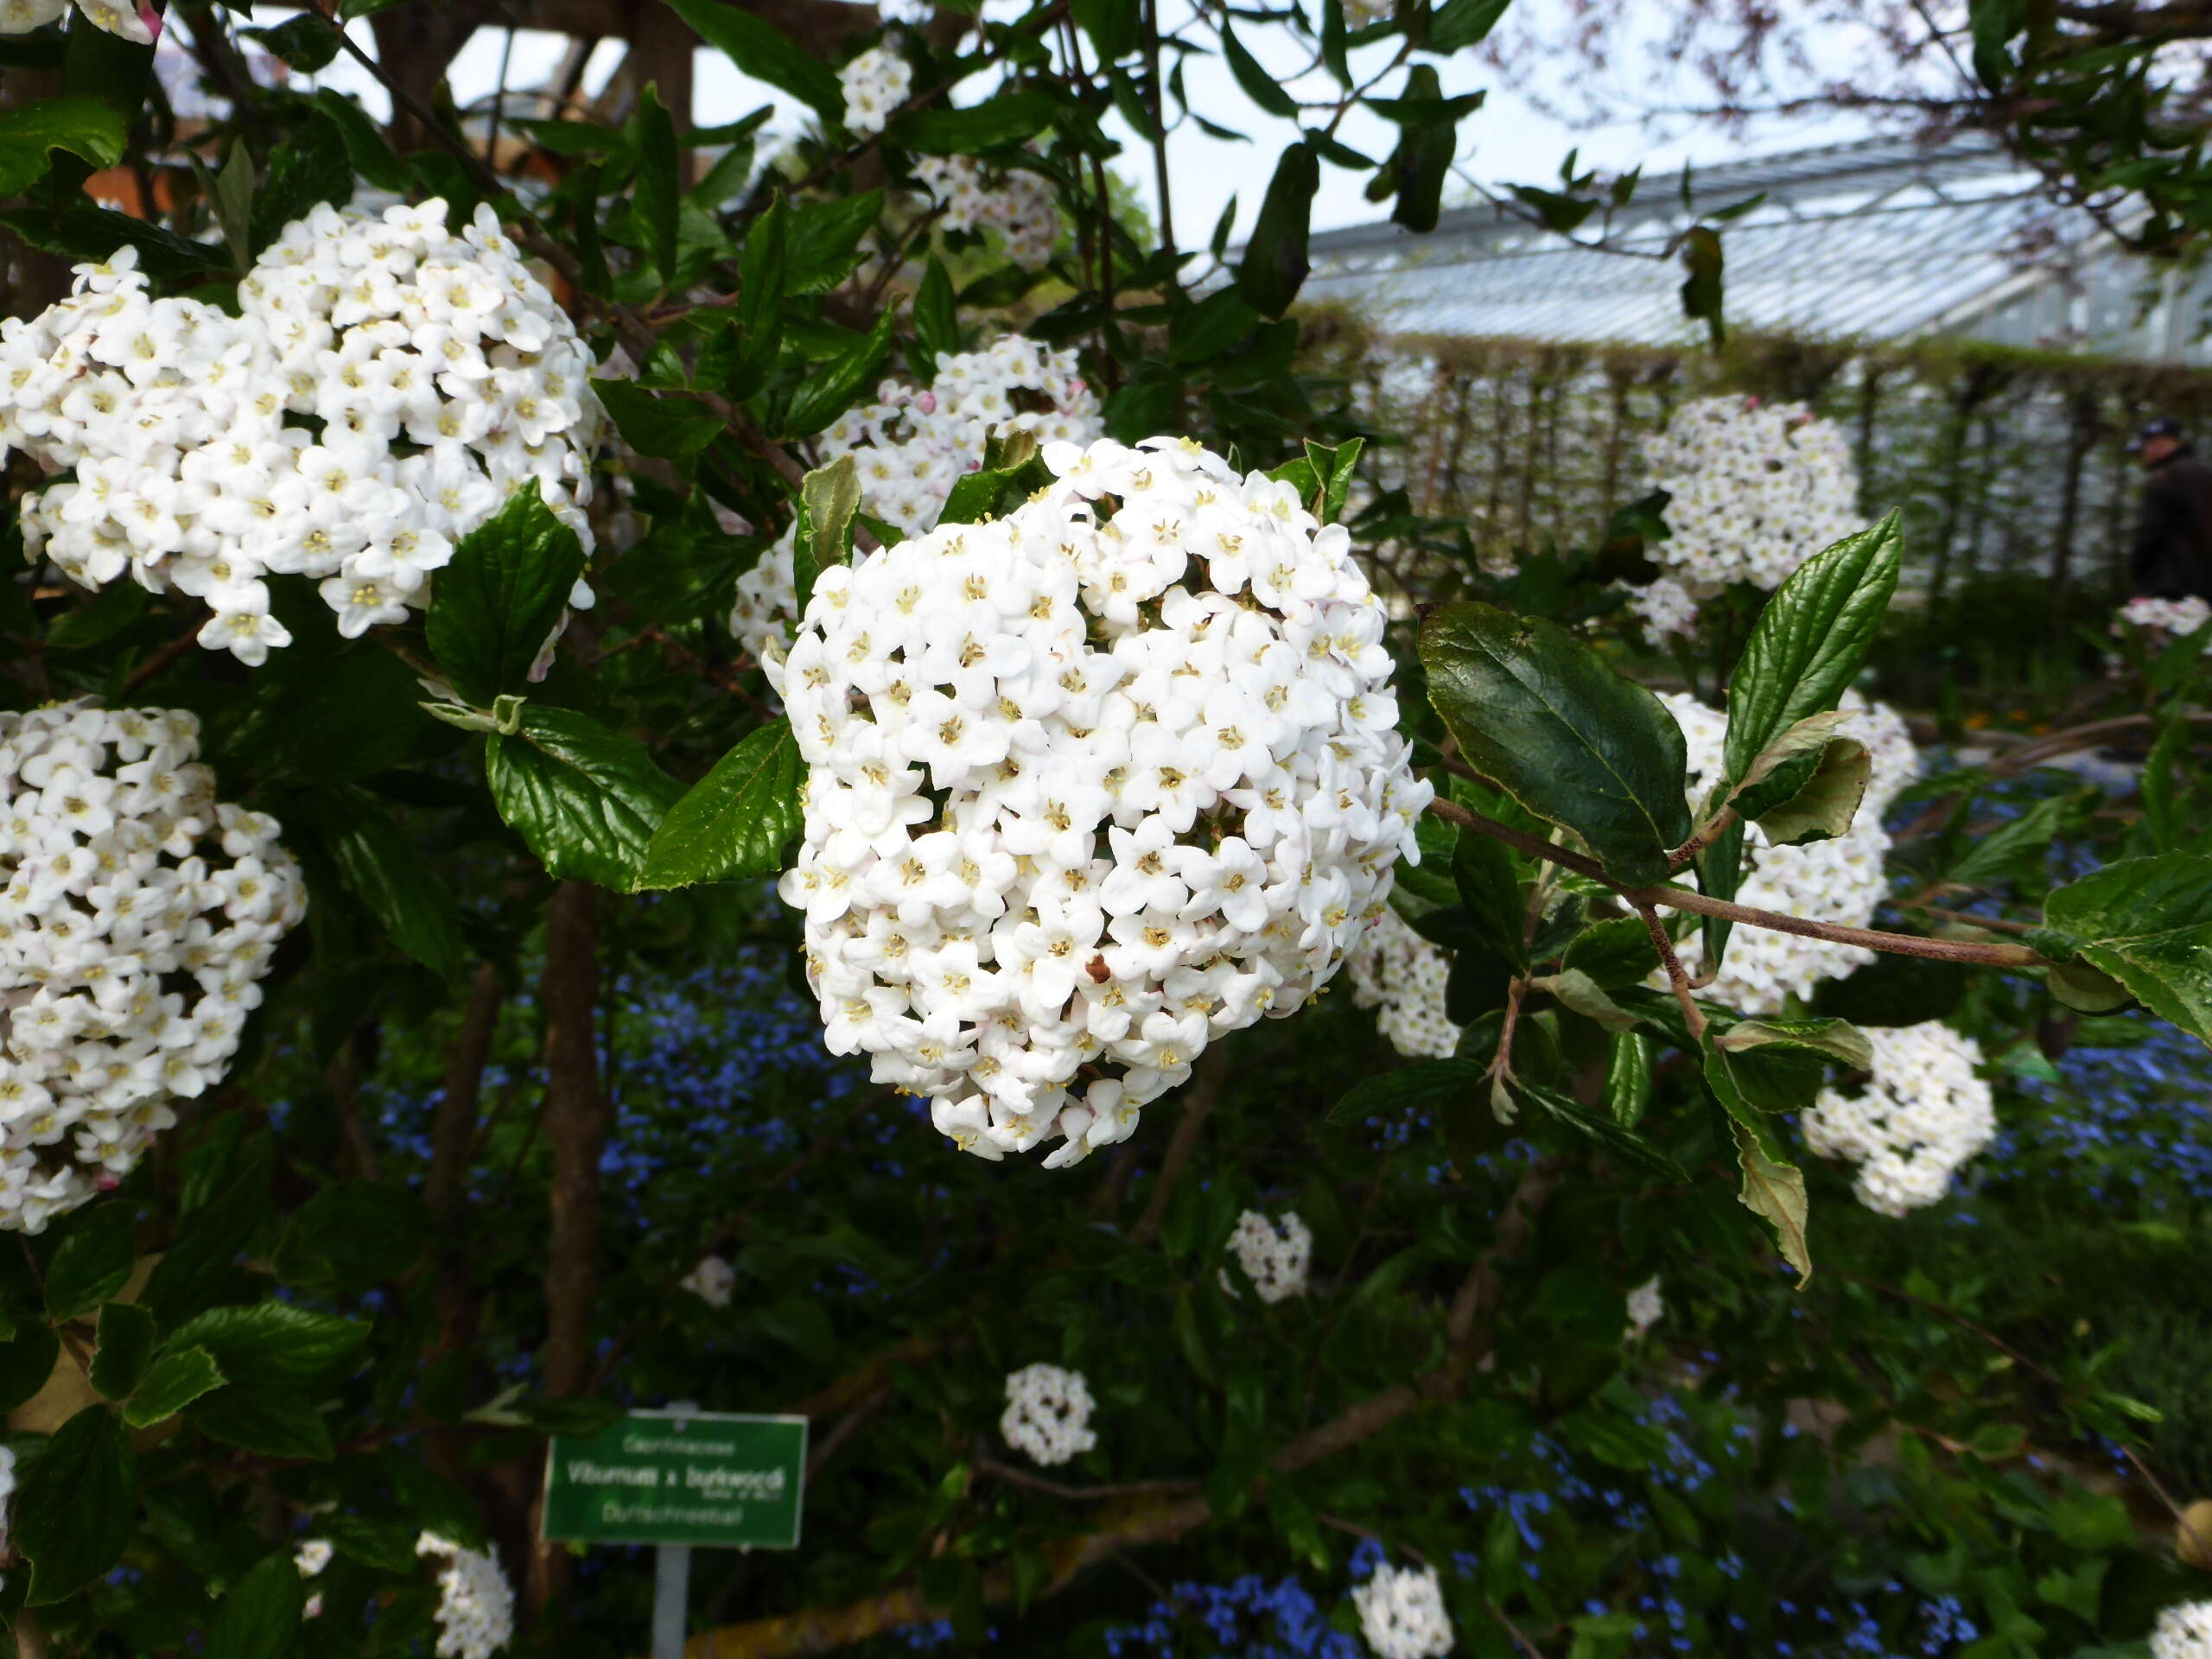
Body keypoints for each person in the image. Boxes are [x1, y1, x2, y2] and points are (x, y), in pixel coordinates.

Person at [2127, 416, 2212, 600]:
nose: (2143, 457)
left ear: (2156, 444)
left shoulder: (2164, 479)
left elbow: (2150, 534)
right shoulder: (2205, 474)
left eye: (2143, 449)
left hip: (2173, 587)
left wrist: (2138, 574)